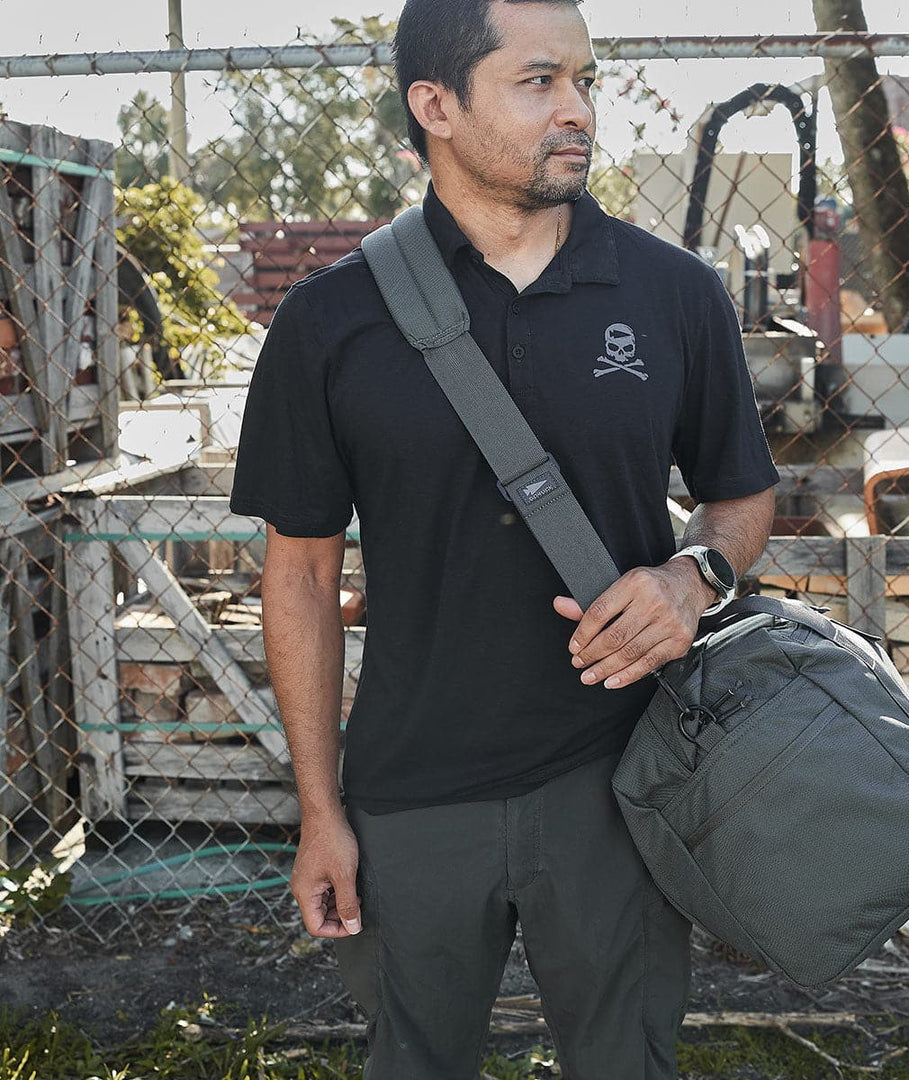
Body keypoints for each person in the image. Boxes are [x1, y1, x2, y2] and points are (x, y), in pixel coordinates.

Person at [228, 0, 779, 1075]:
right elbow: (296, 574)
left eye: (583, 79)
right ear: (434, 105)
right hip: (409, 794)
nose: (577, 109)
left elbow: (740, 497)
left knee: (627, 1062)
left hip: (622, 784)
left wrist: (693, 574)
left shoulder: (675, 293)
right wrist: (319, 811)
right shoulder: (330, 323)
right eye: (539, 83)